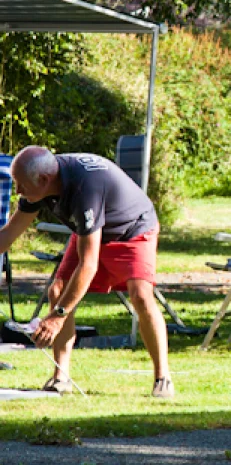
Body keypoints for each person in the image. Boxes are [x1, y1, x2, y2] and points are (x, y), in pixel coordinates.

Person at [0, 146, 174, 398]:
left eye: (21, 185)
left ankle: (163, 377)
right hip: (93, 232)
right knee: (57, 290)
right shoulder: (40, 182)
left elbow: (88, 265)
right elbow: (8, 234)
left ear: (44, 180)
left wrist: (57, 316)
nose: (18, 192)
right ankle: (61, 376)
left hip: (133, 229)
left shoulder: (84, 189)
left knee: (141, 295)